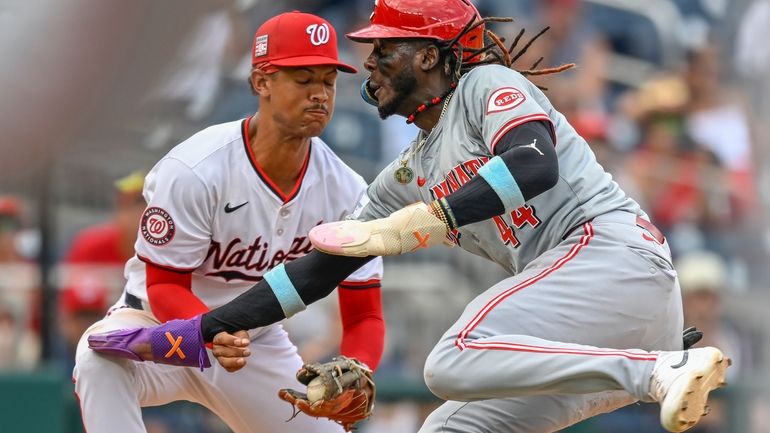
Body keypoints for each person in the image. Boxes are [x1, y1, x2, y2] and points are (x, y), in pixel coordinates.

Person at [89, 1, 729, 432]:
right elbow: (314, 275)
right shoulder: (401, 175)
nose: (367, 64)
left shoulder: (484, 88)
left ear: (427, 55)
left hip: (611, 252)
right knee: (447, 427)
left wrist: (423, 222)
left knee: (450, 360)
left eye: (382, 49)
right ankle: (650, 364)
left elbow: (534, 165)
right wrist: (207, 329)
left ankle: (653, 368)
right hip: (596, 311)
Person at [74, 11, 385, 433]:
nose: (320, 95)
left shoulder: (346, 190)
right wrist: (212, 333)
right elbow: (165, 285)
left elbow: (364, 313)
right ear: (261, 82)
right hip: (158, 327)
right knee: (97, 361)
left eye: (328, 81)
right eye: (303, 78)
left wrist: (358, 367)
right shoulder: (197, 168)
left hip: (256, 345)